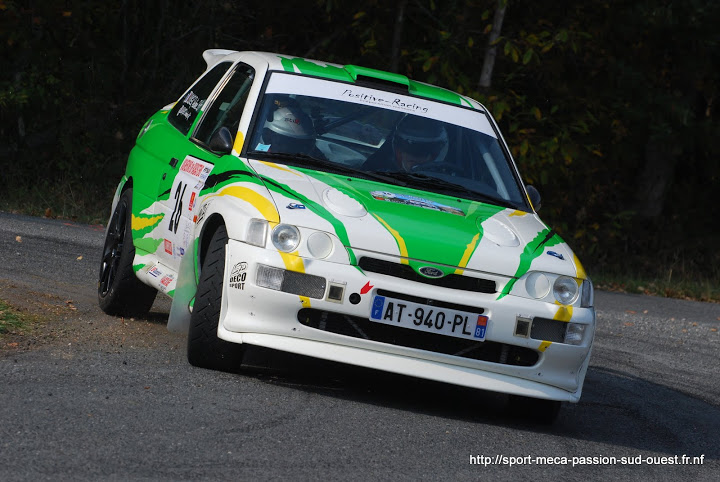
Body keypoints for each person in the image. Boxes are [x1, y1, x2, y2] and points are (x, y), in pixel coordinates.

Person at [364, 115, 449, 172]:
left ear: (436, 153)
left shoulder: (452, 180)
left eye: (424, 149)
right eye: (409, 147)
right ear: (398, 151)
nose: (416, 154)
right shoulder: (374, 172)